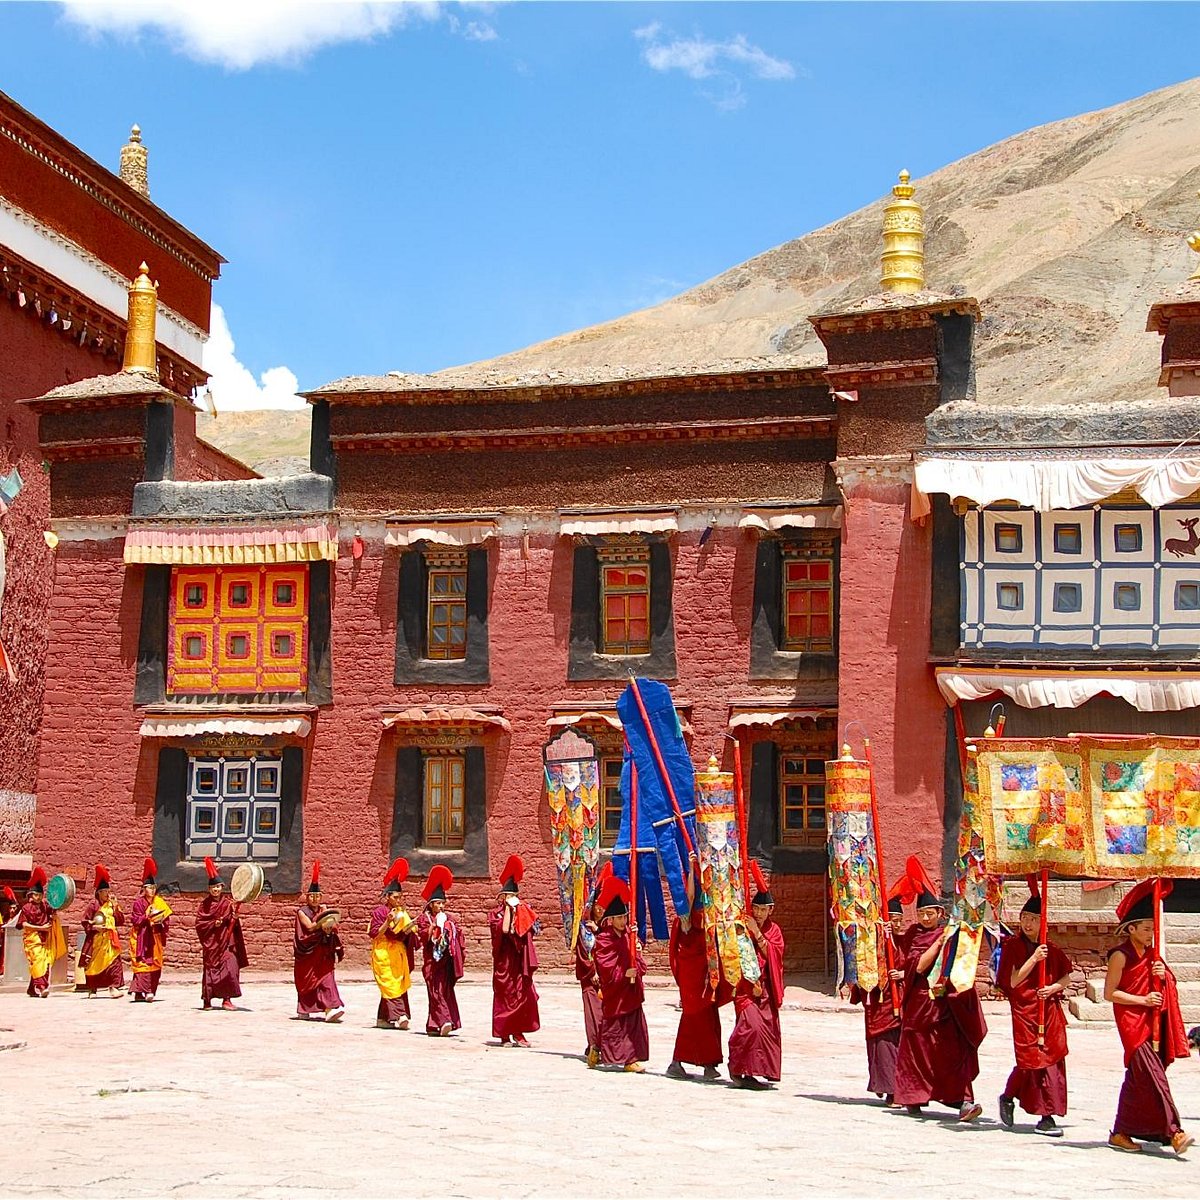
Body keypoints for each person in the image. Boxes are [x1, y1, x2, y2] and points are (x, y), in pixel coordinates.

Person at [893, 855, 986, 1122]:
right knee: (918, 1053)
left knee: (951, 1052)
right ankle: (913, 1097)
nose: (924, 918)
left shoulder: (951, 933)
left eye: (929, 913)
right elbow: (919, 967)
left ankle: (963, 1101)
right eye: (921, 913)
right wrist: (939, 943)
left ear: (940, 914)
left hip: (945, 1006)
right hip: (920, 1005)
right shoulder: (915, 935)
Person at [1104, 878, 1193, 1156]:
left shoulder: (1153, 954)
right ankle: (1174, 1133)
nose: (1151, 933)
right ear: (1131, 929)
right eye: (1145, 929)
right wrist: (1142, 1000)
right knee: (1155, 1078)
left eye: (1152, 928)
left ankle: (1121, 1132)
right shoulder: (1120, 955)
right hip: (1132, 1024)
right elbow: (1110, 993)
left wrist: (1162, 977)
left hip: (1152, 1023)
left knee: (1139, 1079)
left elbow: (1170, 983)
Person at [996, 879, 1072, 1137]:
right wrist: (1034, 959)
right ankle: (1008, 1095)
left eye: (1033, 918)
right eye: (1024, 917)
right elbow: (1014, 981)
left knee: (1050, 1061)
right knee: (1031, 1061)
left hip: (1048, 1010)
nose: (1027, 923)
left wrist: (1053, 989)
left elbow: (1066, 978)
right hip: (1025, 1010)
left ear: (1043, 922)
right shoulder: (1013, 947)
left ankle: (1046, 1117)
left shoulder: (1052, 949)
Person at [727, 861, 785, 1090]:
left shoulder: (775, 931)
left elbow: (775, 955)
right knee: (751, 1027)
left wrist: (757, 933)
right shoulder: (742, 928)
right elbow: (736, 955)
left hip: (766, 991)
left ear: (771, 910)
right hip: (746, 990)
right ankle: (738, 1069)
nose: (760, 913)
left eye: (764, 910)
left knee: (767, 1030)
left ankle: (759, 1071)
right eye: (757, 909)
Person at [847, 895, 908, 1105]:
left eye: (900, 919)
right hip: (880, 999)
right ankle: (890, 1089)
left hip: (901, 998)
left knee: (900, 1045)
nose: (897, 924)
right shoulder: (871, 941)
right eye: (892, 919)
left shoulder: (906, 940)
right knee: (884, 1045)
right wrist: (883, 939)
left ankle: (901, 1089)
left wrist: (902, 974)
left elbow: (915, 964)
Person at [592, 875, 650, 1073]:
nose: (622, 921)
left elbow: (638, 959)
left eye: (624, 917)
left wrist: (638, 957)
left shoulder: (628, 936)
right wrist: (624, 974)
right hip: (616, 990)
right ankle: (602, 1050)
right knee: (615, 1024)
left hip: (631, 991)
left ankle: (629, 1058)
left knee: (632, 1025)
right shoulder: (603, 940)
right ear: (610, 919)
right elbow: (605, 966)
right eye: (619, 918)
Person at [666, 896, 723, 1081]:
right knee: (697, 1015)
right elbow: (677, 952)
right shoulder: (685, 921)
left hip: (706, 972)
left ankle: (687, 1062)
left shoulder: (710, 918)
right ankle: (704, 1064)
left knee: (706, 1016)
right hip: (692, 974)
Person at [489, 854, 540, 1046]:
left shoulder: (523, 910)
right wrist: (510, 910)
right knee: (505, 996)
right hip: (504, 963)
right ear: (502, 897)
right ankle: (504, 1034)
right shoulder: (495, 915)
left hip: (519, 961)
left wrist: (521, 911)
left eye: (514, 896)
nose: (511, 899)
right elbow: (503, 929)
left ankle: (519, 1033)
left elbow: (532, 929)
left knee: (522, 995)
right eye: (508, 896)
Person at [368, 858, 418, 1030]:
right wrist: (387, 922)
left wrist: (410, 929)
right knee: (389, 983)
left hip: (398, 952)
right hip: (383, 952)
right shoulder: (379, 912)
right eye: (396, 897)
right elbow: (375, 933)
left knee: (397, 983)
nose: (398, 900)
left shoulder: (401, 912)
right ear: (388, 897)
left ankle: (383, 1019)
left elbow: (404, 934)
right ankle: (400, 1015)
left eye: (400, 897)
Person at [294, 860, 345, 1022]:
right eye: (312, 896)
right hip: (308, 952)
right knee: (307, 980)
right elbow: (309, 928)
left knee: (326, 978)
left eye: (318, 896)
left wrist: (329, 928)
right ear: (307, 897)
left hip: (323, 951)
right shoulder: (302, 912)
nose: (315, 899)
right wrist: (323, 920)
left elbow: (333, 926)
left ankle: (329, 1009)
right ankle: (304, 1009)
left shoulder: (324, 910)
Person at [417, 865, 465, 1036]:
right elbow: (423, 935)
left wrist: (448, 927)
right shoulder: (425, 919)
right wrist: (434, 927)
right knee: (435, 991)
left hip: (445, 963)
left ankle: (433, 1024)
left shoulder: (449, 918)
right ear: (431, 905)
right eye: (438, 903)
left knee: (444, 991)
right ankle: (444, 1020)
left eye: (443, 903)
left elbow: (457, 936)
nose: (441, 906)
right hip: (432, 962)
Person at [194, 857, 247, 1010]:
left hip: (226, 943)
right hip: (212, 945)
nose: (216, 890)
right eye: (213, 888)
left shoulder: (227, 904)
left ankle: (227, 999)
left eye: (218, 887)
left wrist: (235, 919)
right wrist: (212, 924)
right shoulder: (204, 905)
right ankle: (207, 1001)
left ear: (222, 888)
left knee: (230, 967)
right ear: (209, 889)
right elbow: (199, 924)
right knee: (210, 971)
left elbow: (233, 922)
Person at [575, 866, 609, 1068]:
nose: (600, 910)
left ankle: (604, 1047)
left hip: (608, 980)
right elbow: (584, 954)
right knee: (594, 1014)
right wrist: (593, 972)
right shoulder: (584, 928)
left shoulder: (608, 927)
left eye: (604, 907)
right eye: (598, 905)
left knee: (607, 1015)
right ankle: (595, 1046)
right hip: (591, 979)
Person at [128, 856, 172, 1003]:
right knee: (142, 965)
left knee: (154, 963)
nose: (152, 890)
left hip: (155, 937)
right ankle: (145, 991)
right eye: (149, 888)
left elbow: (166, 918)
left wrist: (161, 922)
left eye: (153, 888)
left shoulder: (159, 902)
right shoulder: (138, 903)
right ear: (143, 889)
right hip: (141, 937)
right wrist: (147, 917)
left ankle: (145, 991)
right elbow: (135, 920)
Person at [16, 867, 64, 997]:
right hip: (32, 939)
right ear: (31, 895)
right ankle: (43, 987)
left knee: (45, 963)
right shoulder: (26, 908)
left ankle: (32, 988)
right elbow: (23, 924)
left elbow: (54, 908)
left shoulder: (45, 906)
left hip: (45, 938)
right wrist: (40, 928)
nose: (38, 897)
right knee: (38, 960)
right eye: (36, 895)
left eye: (40, 895)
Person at [79, 863, 125, 998]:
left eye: (108, 891)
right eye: (105, 892)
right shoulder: (93, 905)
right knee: (94, 964)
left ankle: (114, 987)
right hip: (97, 940)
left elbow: (120, 921)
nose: (107, 894)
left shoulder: (112, 904)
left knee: (115, 962)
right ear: (99, 893)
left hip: (110, 940)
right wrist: (95, 927)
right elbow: (85, 921)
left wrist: (116, 907)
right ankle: (93, 989)